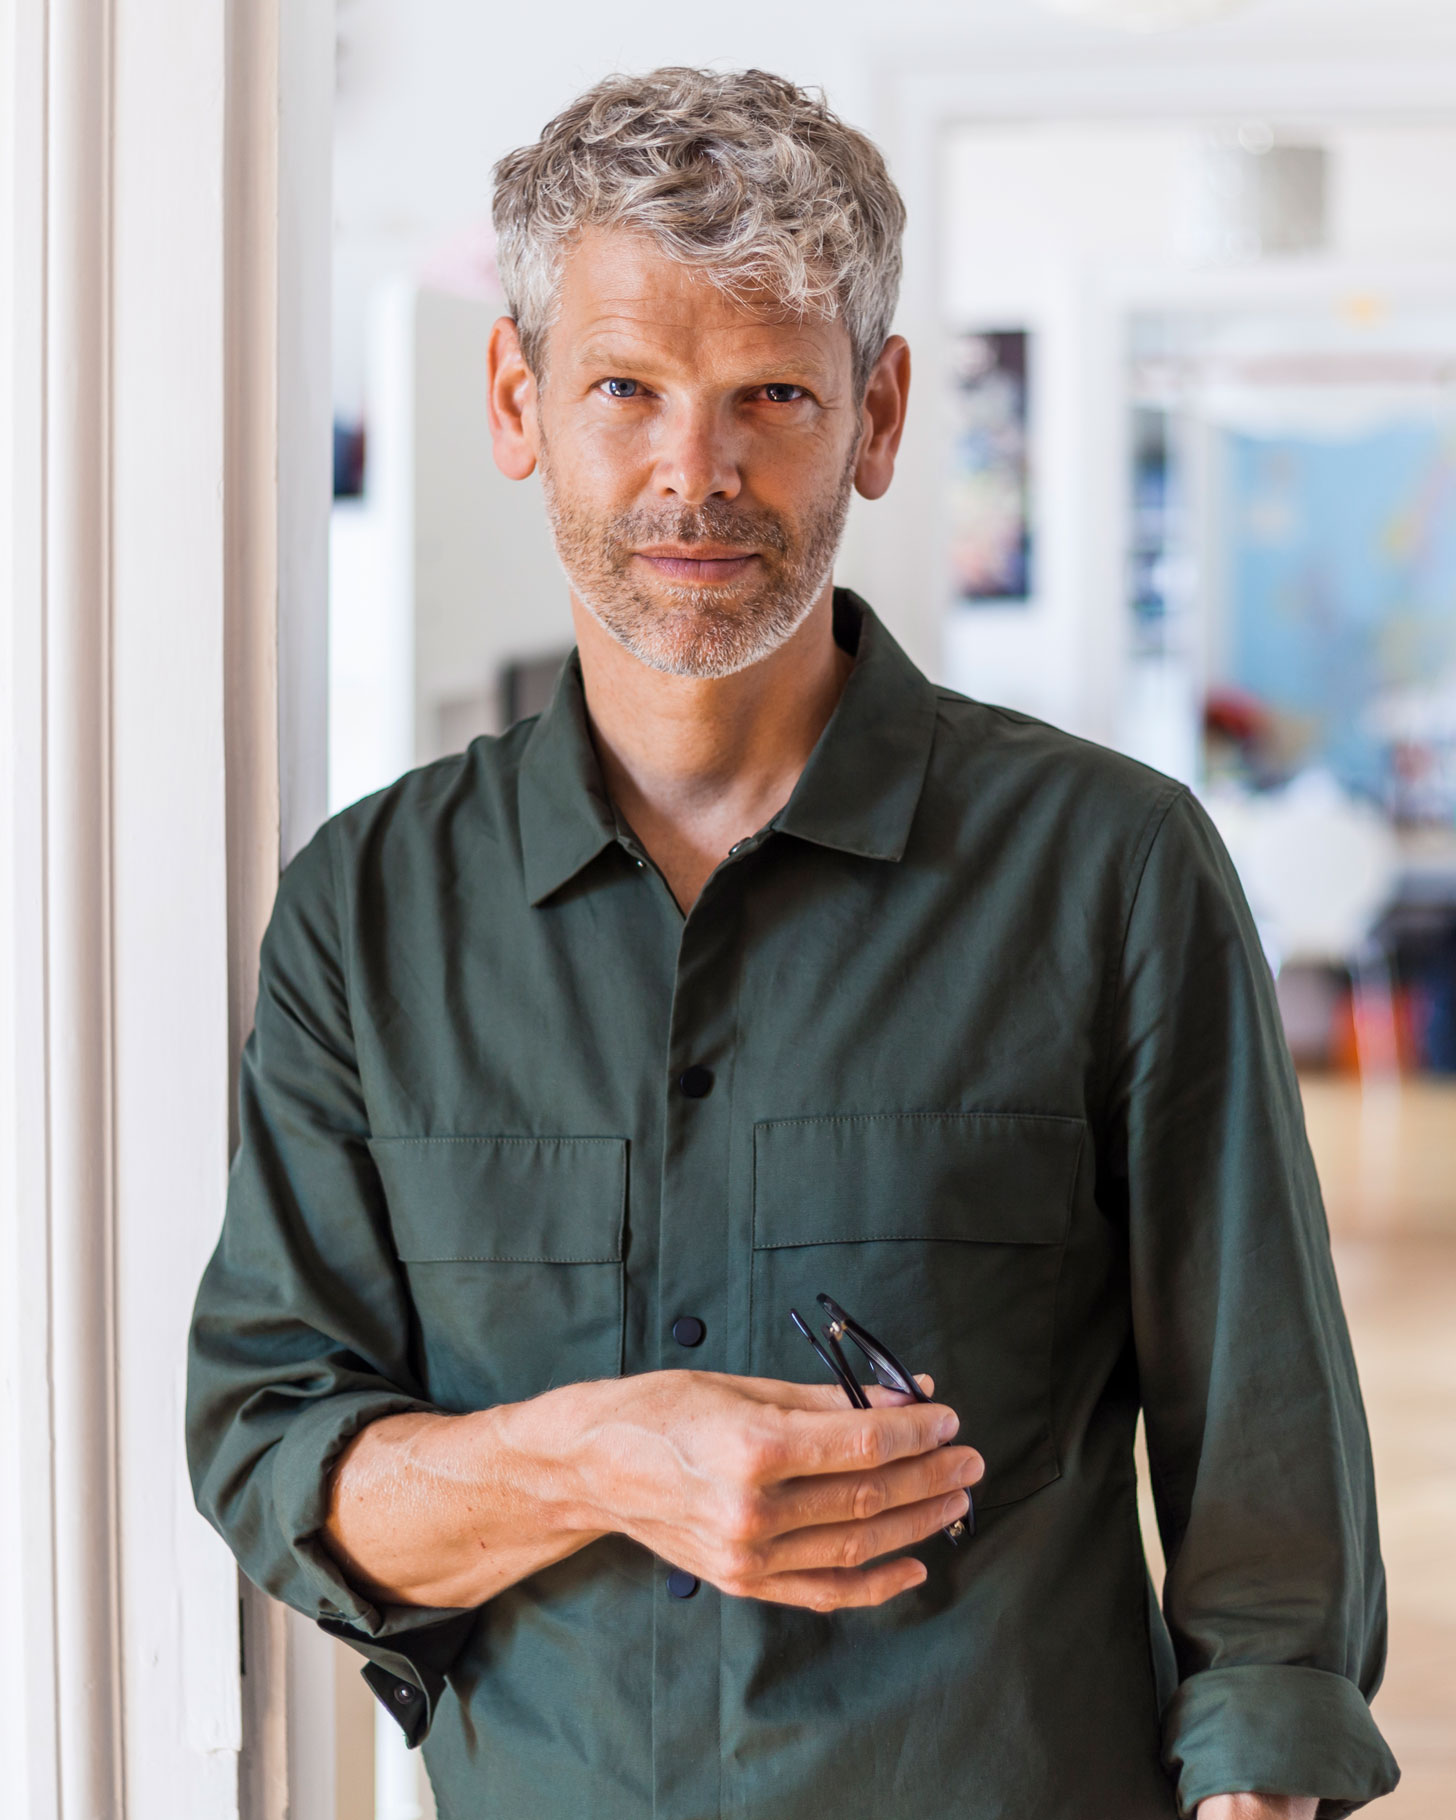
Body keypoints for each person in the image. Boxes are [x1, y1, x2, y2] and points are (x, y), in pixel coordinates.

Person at [186, 66, 1398, 1820]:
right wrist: (599, 1455)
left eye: (772, 392)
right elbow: (275, 1451)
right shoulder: (367, 913)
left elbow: (1269, 1485)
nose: (698, 472)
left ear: (881, 416)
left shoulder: (1116, 870)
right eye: (625, 388)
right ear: (517, 402)